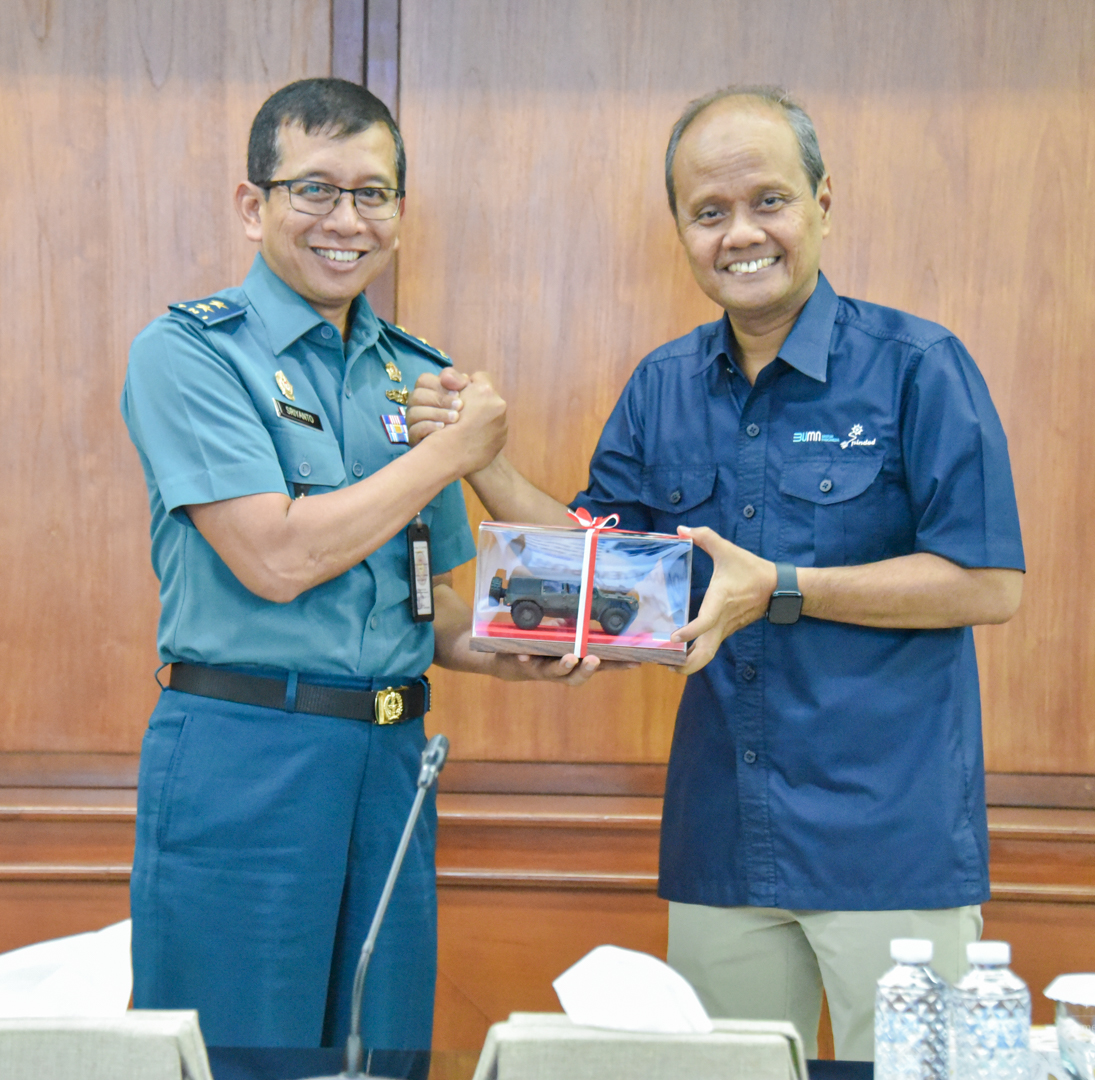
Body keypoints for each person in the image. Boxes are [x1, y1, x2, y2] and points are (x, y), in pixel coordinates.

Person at [407, 86, 1024, 1059]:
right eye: (709, 212)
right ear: (682, 231)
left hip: (891, 845)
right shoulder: (661, 386)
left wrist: (781, 586)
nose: (741, 233)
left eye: (769, 201)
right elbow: (597, 574)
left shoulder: (919, 366)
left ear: (822, 203)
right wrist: (479, 459)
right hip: (725, 840)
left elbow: (988, 583)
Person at [120, 78, 605, 1051]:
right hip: (248, 752)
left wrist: (518, 647)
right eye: (315, 189)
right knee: (239, 1055)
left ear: (399, 213)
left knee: (379, 1052)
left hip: (392, 762)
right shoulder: (190, 354)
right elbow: (277, 557)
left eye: (373, 194)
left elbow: (433, 602)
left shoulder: (412, 374)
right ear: (253, 205)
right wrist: (450, 453)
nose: (347, 220)